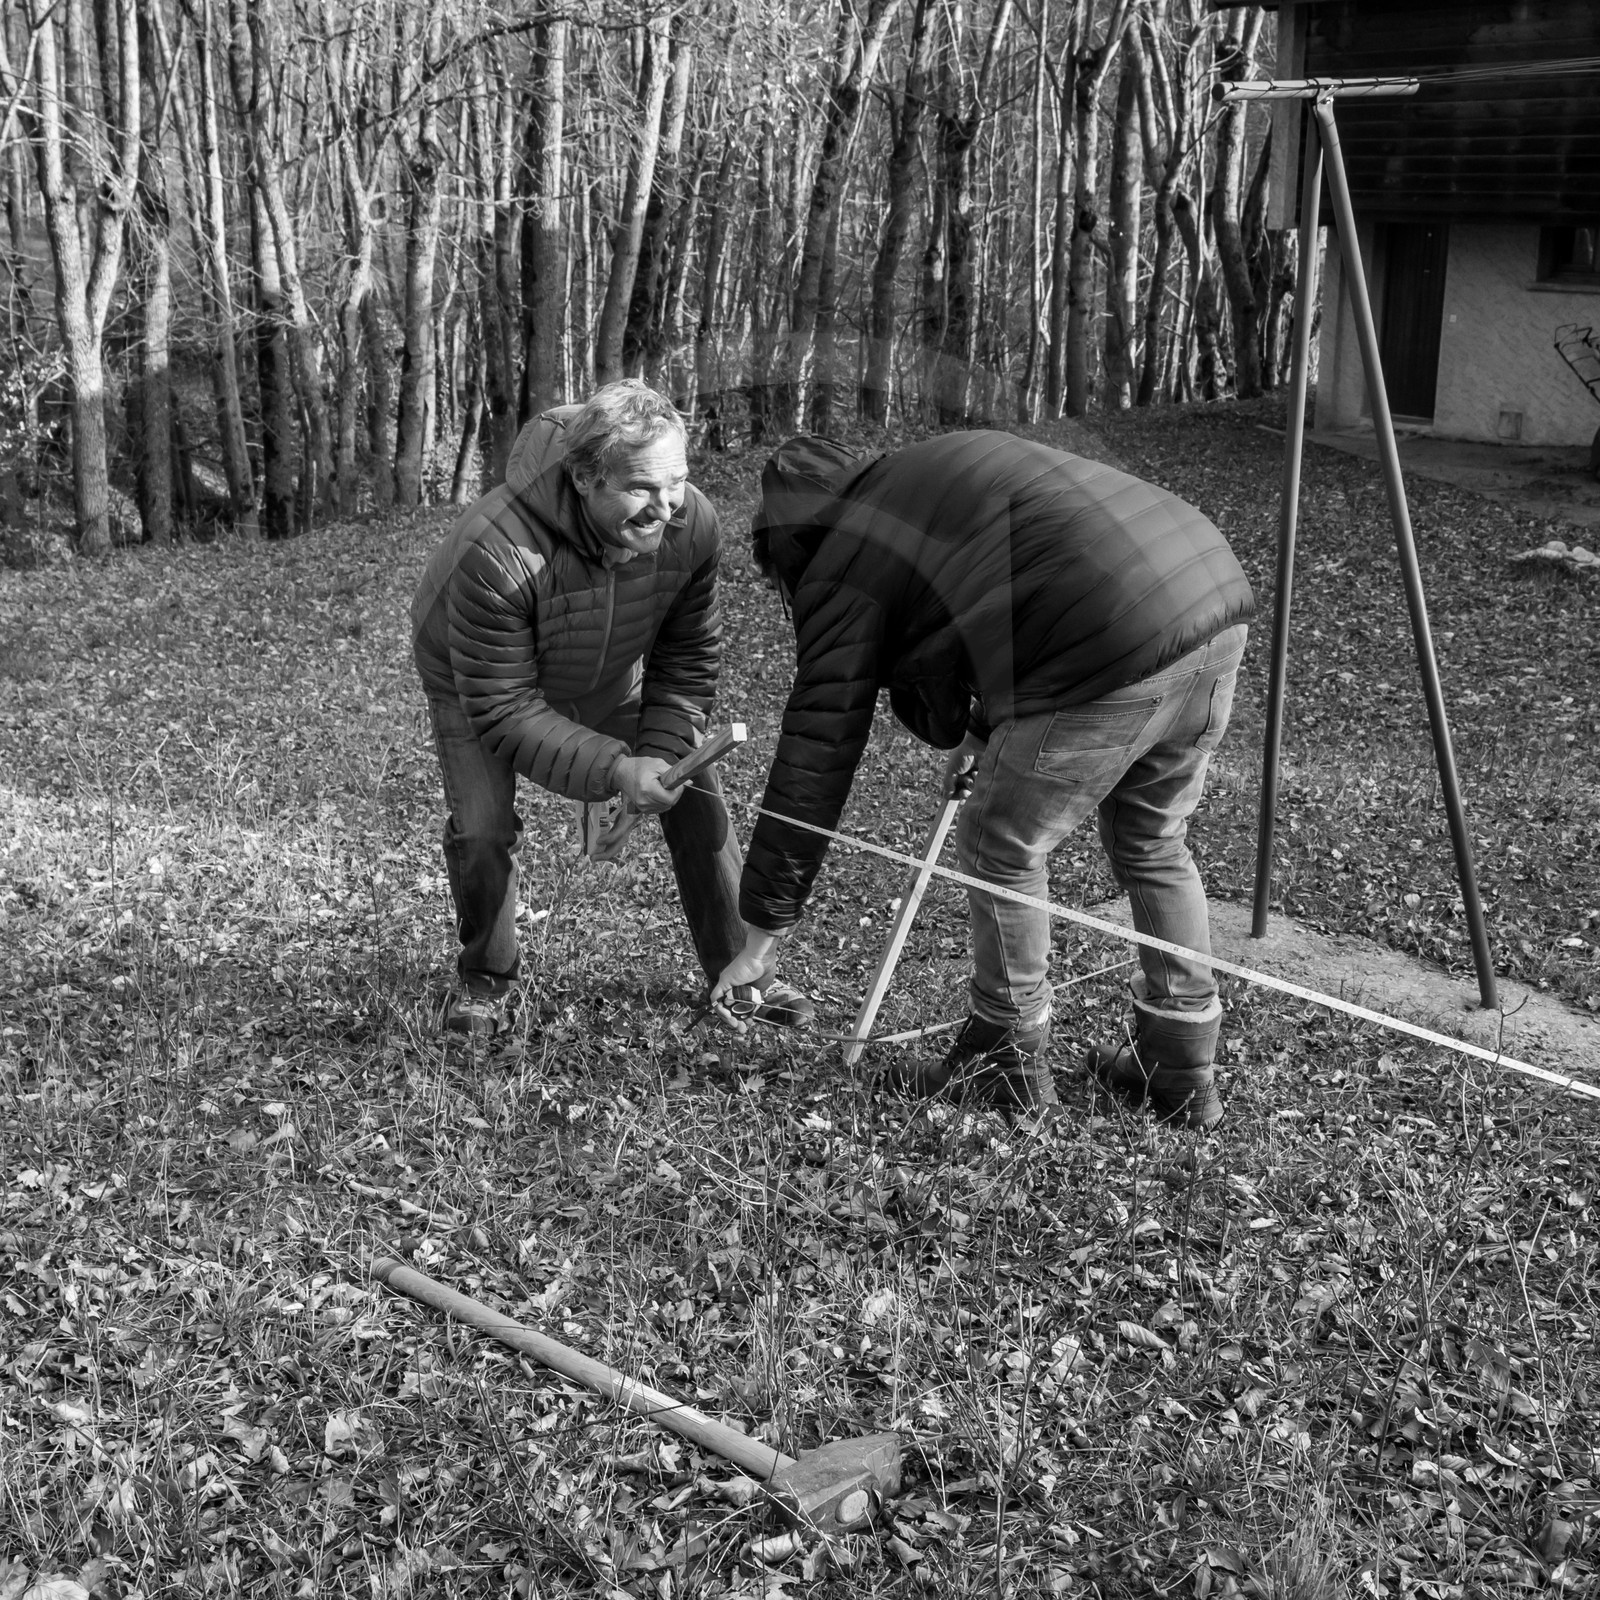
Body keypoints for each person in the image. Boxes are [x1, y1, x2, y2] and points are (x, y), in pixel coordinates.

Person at [710, 431, 1254, 1125]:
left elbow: (816, 753)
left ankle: (1005, 1057)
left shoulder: (844, 558)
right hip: (1209, 598)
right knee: (1152, 840)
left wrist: (759, 939)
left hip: (1106, 632)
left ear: (790, 546)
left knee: (1001, 844)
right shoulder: (917, 484)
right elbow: (1012, 582)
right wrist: (976, 733)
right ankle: (1178, 1063)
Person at [411, 380, 813, 1037]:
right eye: (642, 489)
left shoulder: (692, 524)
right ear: (584, 478)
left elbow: (686, 657)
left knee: (695, 786)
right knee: (482, 826)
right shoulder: (497, 549)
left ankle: (744, 975)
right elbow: (506, 706)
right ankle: (486, 981)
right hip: (476, 680)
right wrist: (617, 771)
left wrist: (659, 752)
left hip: (606, 665)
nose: (665, 507)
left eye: (675, 482)